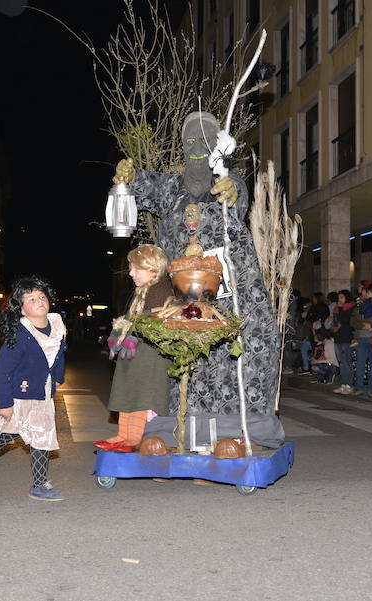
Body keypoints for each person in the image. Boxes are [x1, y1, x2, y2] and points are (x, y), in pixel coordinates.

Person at [114, 111, 282, 446]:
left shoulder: (228, 179)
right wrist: (127, 174)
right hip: (178, 294)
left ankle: (234, 436)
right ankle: (171, 433)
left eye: (204, 140)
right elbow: (141, 183)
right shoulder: (170, 187)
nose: (196, 148)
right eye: (190, 140)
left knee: (233, 355)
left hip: (228, 293)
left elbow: (237, 196)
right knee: (177, 358)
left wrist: (231, 189)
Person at [0, 276, 67, 501]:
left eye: (42, 296)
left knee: (42, 436)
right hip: (20, 394)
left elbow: (58, 353)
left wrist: (58, 377)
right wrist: (5, 404)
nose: (39, 301)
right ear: (21, 309)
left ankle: (38, 484)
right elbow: (2, 370)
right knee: (8, 433)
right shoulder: (20, 334)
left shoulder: (56, 324)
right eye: (31, 299)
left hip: (43, 393)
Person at [96, 245, 172, 452]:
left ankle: (134, 439)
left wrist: (135, 336)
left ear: (152, 268)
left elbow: (154, 318)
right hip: (135, 356)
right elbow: (129, 319)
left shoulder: (160, 288)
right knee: (127, 394)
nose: (131, 273)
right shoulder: (142, 291)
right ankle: (124, 435)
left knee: (140, 397)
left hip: (149, 357)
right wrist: (116, 335)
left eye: (135, 268)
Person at [350, 282, 372, 393]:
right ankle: (359, 387)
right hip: (361, 338)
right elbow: (352, 322)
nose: (364, 294)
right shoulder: (358, 306)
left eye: (366, 292)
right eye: (364, 292)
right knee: (360, 363)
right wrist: (363, 325)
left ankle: (371, 388)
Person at [330, 289, 356, 393]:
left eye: (342, 297)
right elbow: (336, 322)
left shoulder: (350, 307)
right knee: (341, 362)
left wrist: (340, 309)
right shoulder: (336, 309)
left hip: (347, 338)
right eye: (338, 298)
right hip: (338, 338)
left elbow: (345, 320)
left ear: (346, 298)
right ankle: (344, 384)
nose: (339, 300)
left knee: (347, 362)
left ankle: (349, 384)